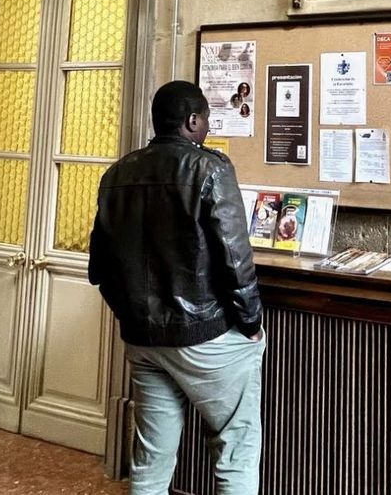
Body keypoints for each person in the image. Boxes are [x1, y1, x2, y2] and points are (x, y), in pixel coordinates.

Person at [88, 81, 265, 495]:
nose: (208, 127)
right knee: (236, 448)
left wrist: (132, 316)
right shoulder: (211, 169)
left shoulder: (117, 174)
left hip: (143, 340)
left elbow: (99, 268)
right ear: (192, 120)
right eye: (206, 119)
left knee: (151, 459)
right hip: (206, 336)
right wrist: (252, 323)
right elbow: (235, 258)